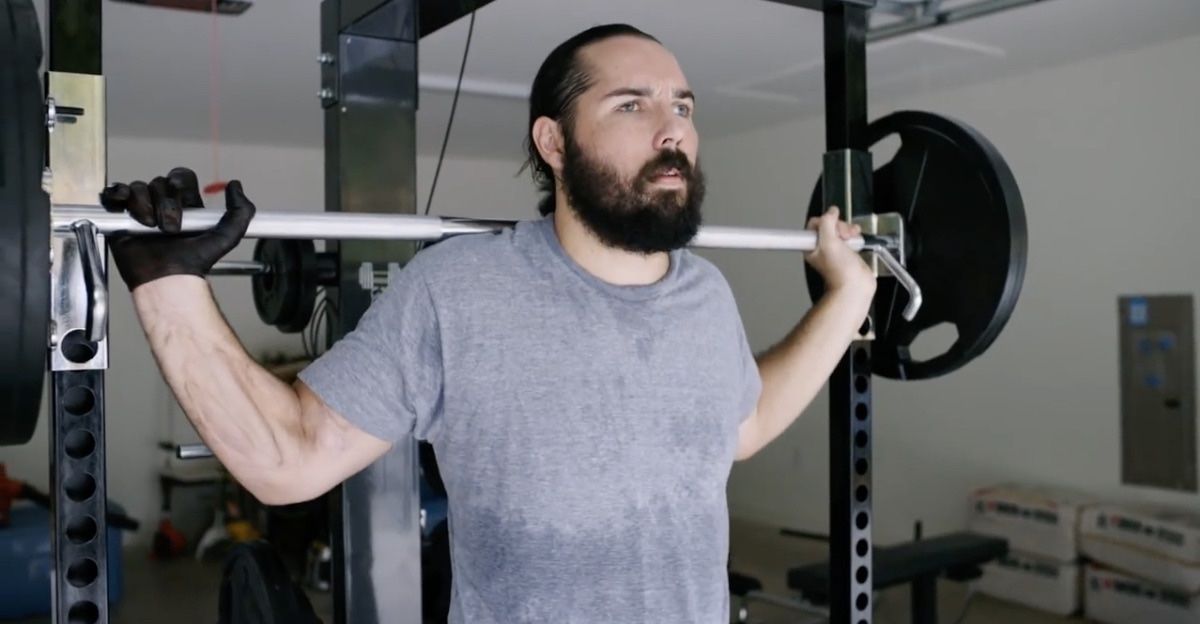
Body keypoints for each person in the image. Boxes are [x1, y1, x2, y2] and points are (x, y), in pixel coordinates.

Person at [101, 23, 875, 624]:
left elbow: (739, 427)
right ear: (553, 142)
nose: (671, 128)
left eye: (683, 106)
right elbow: (292, 458)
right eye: (631, 104)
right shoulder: (461, 290)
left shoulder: (705, 293)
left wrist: (847, 295)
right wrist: (169, 286)